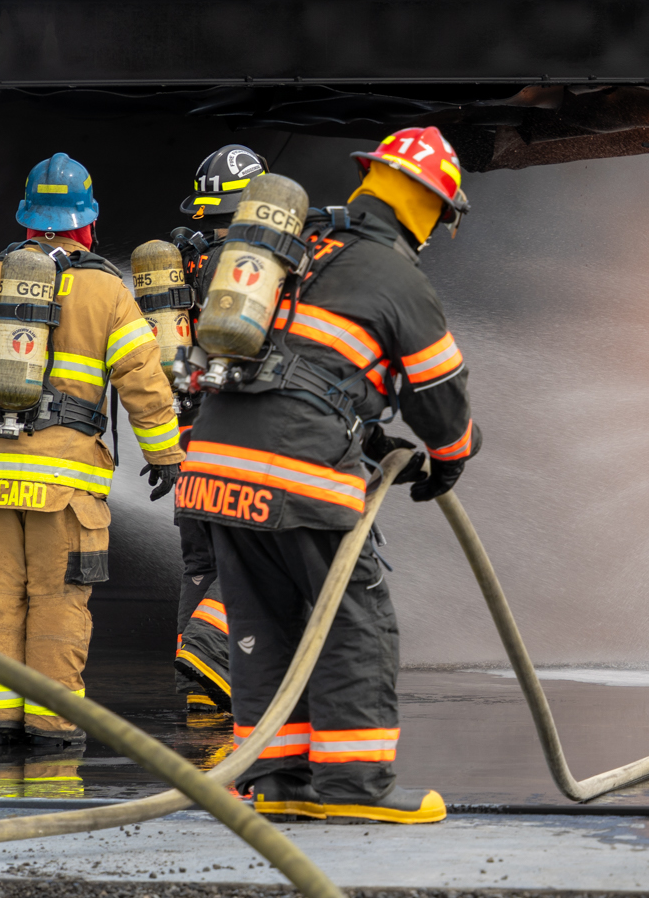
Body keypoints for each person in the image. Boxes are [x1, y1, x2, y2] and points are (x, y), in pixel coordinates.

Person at [179, 126, 477, 825]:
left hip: (213, 463)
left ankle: (278, 780)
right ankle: (356, 786)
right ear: (429, 203)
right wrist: (452, 454)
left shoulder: (302, 244)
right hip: (296, 470)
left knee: (266, 621)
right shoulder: (396, 274)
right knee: (356, 620)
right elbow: (441, 398)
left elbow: (303, 370)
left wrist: (367, 433)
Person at [0, 153, 183, 755]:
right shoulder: (109, 292)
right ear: (86, 225)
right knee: (56, 602)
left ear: (28, 220)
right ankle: (53, 732)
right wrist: (165, 456)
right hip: (65, 487)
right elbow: (144, 379)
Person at [159, 144, 270, 717]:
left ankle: (198, 693)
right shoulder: (260, 268)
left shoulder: (185, 263)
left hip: (186, 441)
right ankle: (211, 655)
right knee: (258, 556)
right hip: (243, 440)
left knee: (200, 564)